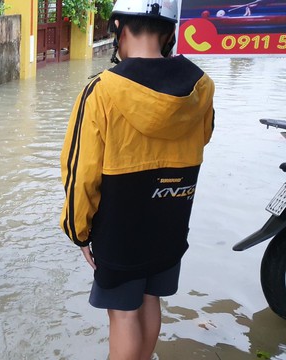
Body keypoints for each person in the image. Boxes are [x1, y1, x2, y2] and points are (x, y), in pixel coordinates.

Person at [59, 0, 215, 359]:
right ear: (171, 32)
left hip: (120, 228)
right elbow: (203, 136)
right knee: (150, 299)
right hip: (172, 221)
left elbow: (80, 170)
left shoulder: (101, 90)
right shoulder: (202, 87)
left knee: (123, 313)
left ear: (118, 27)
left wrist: (77, 230)